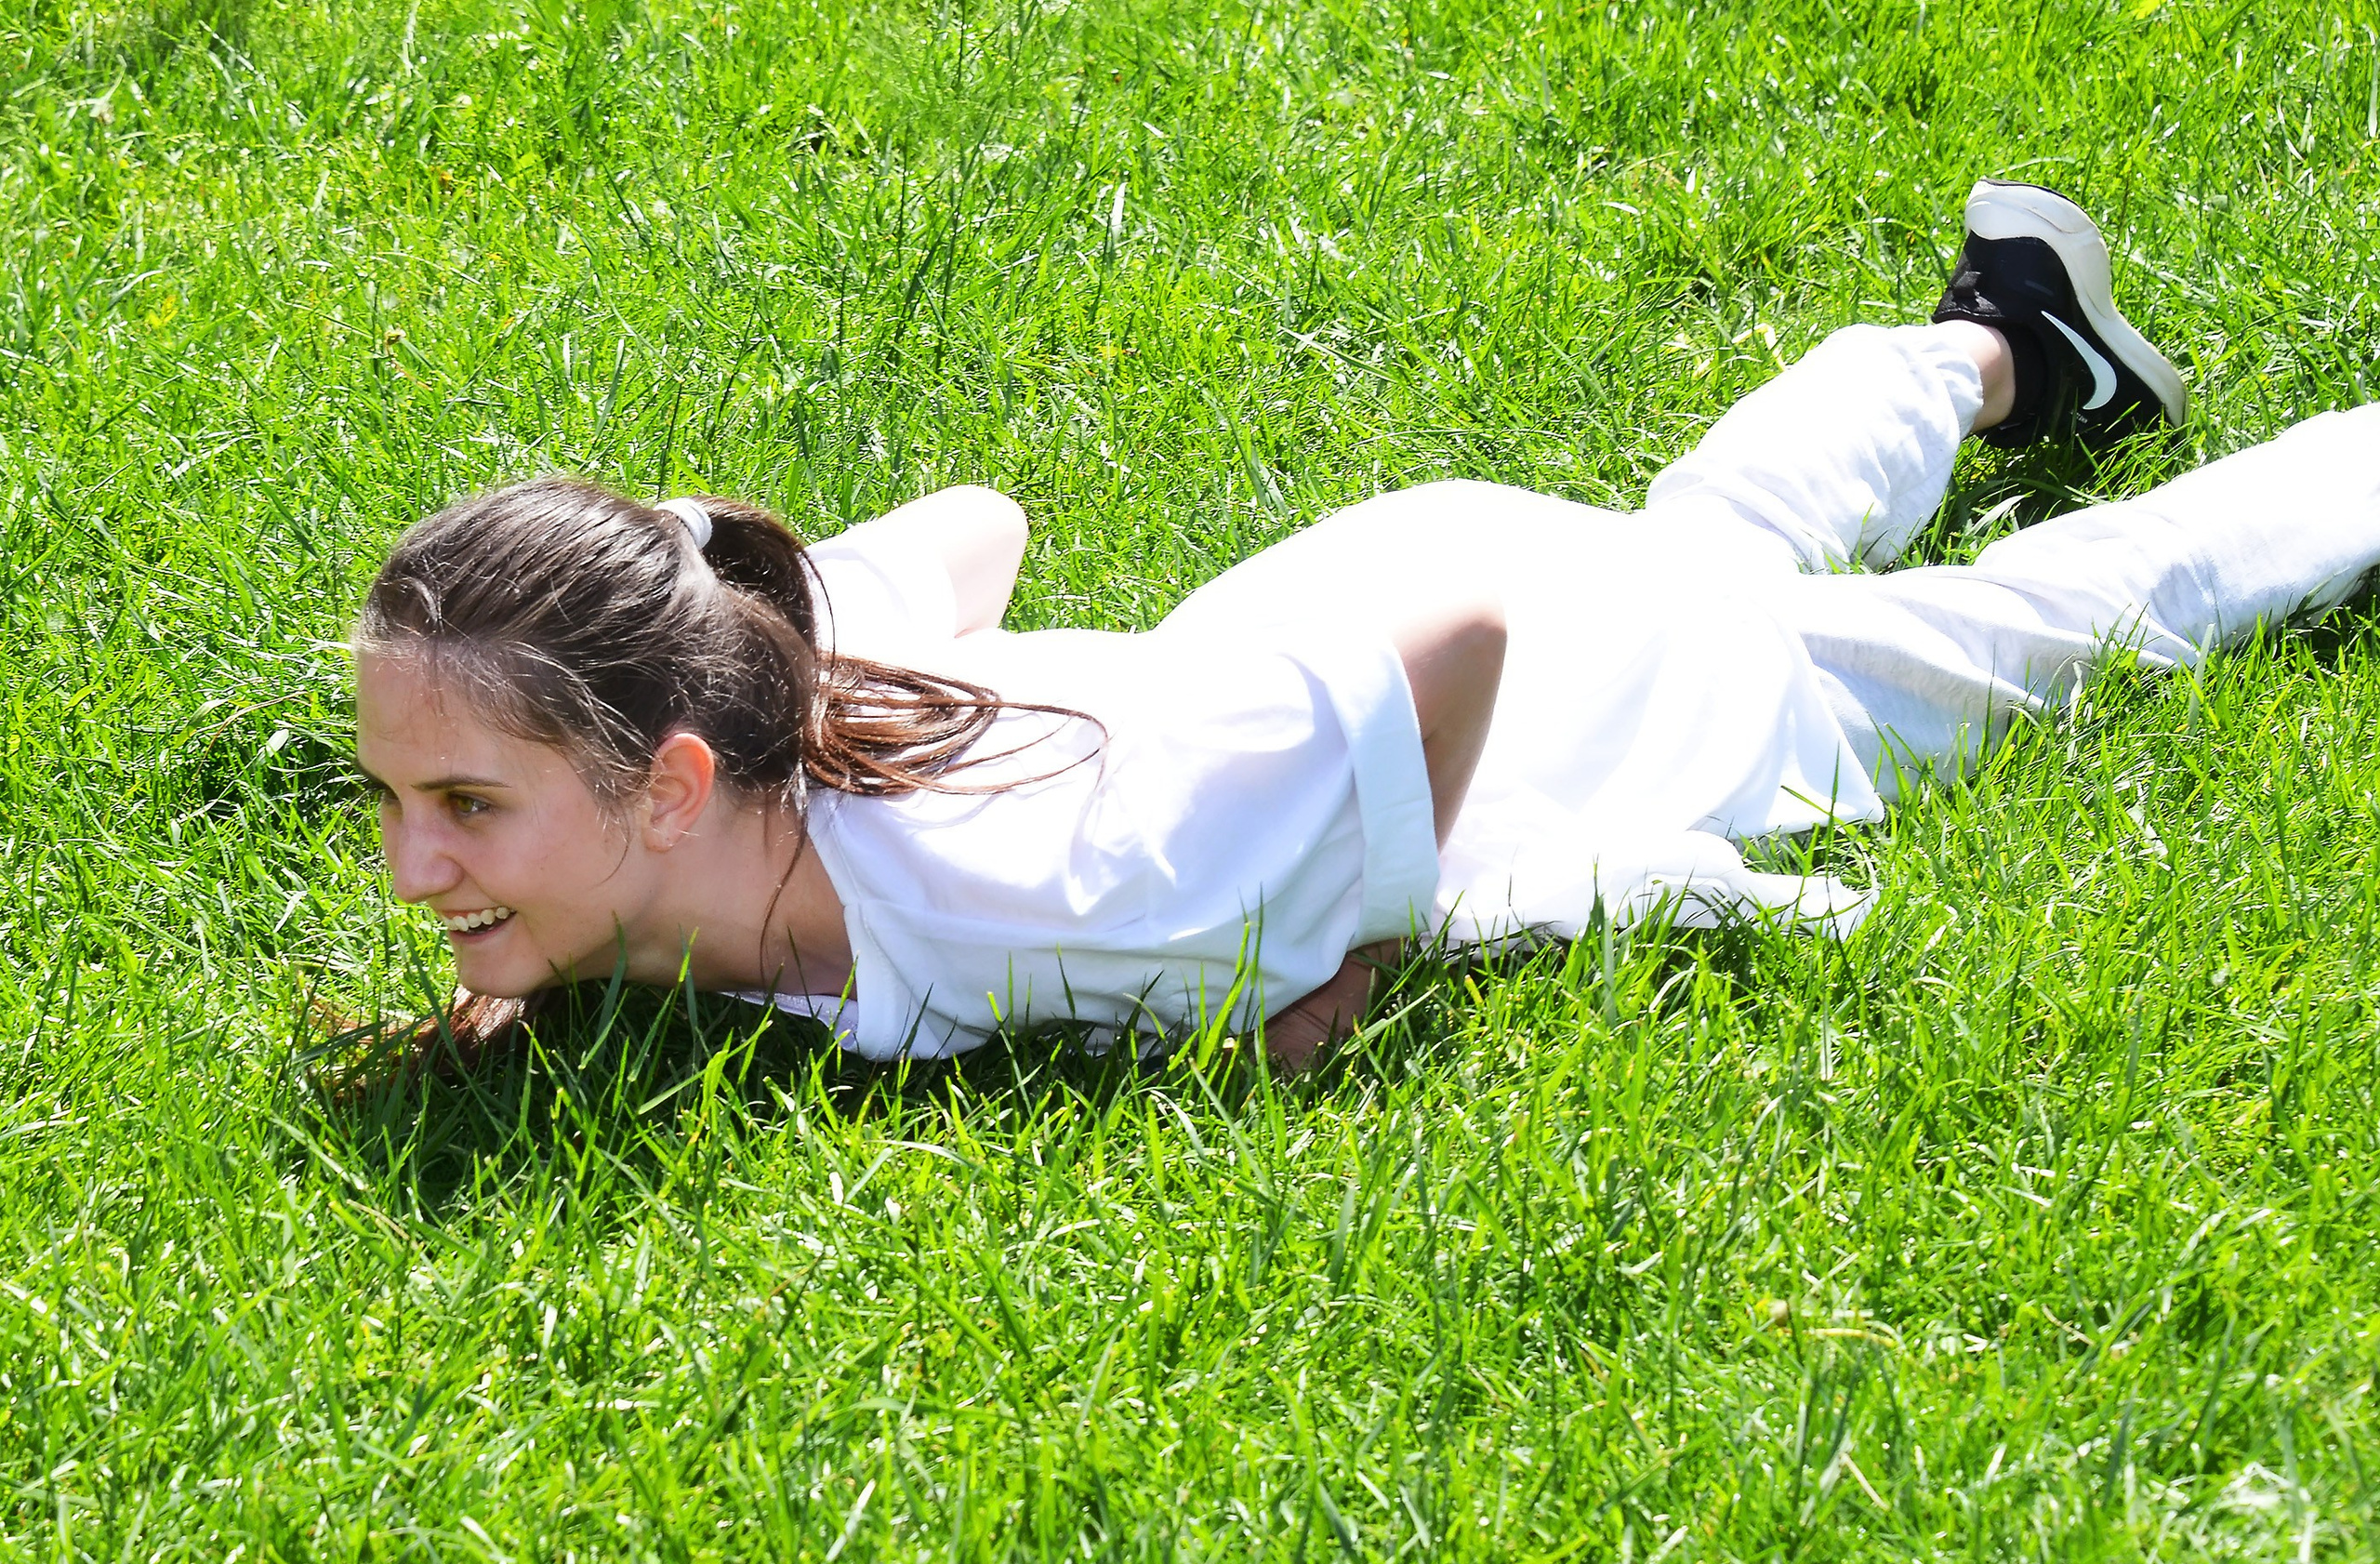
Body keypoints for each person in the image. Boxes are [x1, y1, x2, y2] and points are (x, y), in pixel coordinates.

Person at [352, 179, 2380, 1069]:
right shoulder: (770, 694)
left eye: (467, 806)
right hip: (1345, 597)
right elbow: (975, 527)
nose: (409, 866)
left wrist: (1358, 949)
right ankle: (2000, 338)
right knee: (1718, 526)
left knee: (2042, 627)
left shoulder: (1064, 887)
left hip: (1574, 688)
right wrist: (546, 929)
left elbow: (1463, 641)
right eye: (401, 798)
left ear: (668, 782)